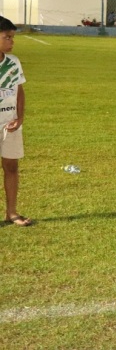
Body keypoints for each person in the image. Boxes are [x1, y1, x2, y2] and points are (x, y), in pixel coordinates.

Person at [0, 17, 30, 228]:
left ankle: (11, 212)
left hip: (9, 123)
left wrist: (19, 118)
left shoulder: (13, 62)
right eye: (7, 37)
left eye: (12, 37)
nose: (12, 41)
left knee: (11, 166)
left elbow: (19, 92)